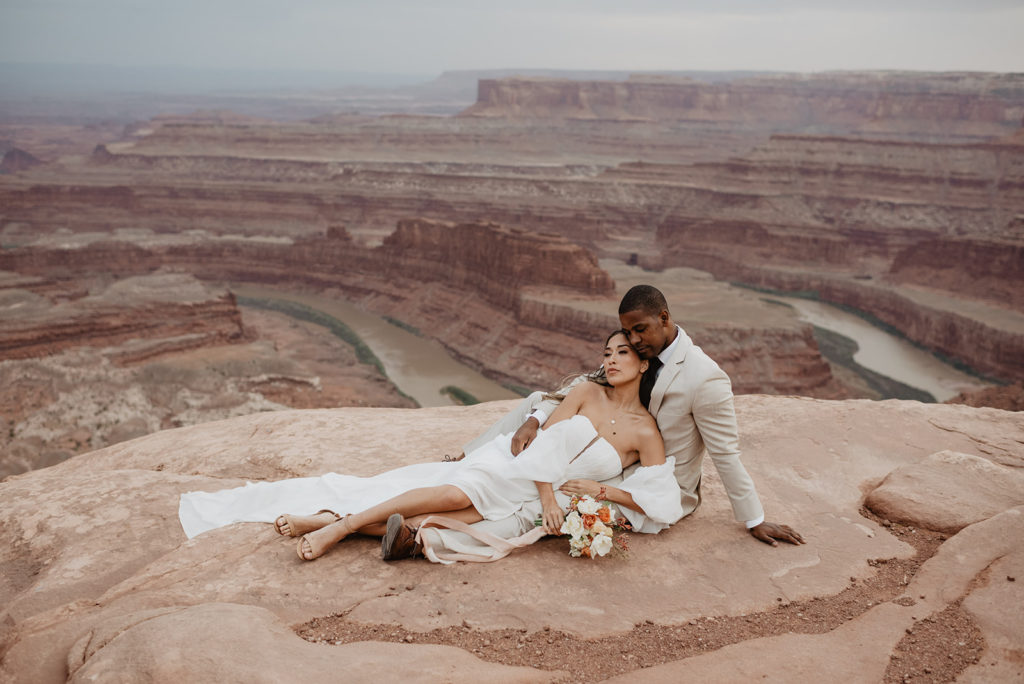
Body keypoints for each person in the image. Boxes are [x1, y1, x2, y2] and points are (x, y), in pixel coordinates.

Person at [177, 331, 684, 562]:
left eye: (623, 353)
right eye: (606, 352)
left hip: (531, 503)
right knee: (453, 498)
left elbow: (660, 499)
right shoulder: (584, 392)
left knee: (432, 526)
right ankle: (345, 527)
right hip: (518, 475)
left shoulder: (646, 433)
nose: (611, 359)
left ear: (644, 366)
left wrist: (601, 490)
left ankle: (330, 518)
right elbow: (543, 442)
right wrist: (551, 497)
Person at [462, 284, 804, 548]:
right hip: (611, 456)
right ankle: (463, 464)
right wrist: (535, 420)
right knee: (537, 402)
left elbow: (726, 452)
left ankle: (443, 537)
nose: (634, 339)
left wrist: (754, 519)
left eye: (641, 330)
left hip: (648, 482)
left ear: (665, 319)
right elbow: (586, 382)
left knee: (546, 502)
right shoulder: (637, 348)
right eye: (629, 332)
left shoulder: (705, 378)